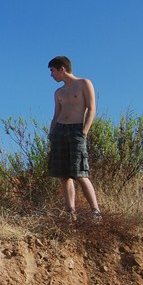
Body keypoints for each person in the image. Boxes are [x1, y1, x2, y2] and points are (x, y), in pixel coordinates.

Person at [47, 56, 102, 222]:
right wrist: (52, 133)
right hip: (60, 131)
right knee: (64, 175)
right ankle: (70, 213)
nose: (52, 75)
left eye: (53, 71)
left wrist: (84, 131)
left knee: (80, 173)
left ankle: (96, 212)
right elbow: (56, 114)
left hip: (77, 130)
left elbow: (92, 109)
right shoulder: (59, 92)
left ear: (62, 69)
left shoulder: (84, 83)